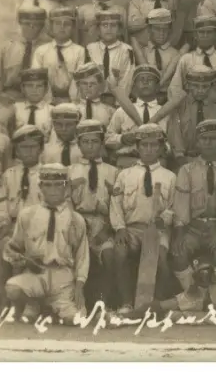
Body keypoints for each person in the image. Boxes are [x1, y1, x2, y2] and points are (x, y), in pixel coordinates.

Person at [3, 163, 90, 324]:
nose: (53, 190)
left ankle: (53, 307)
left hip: (63, 278)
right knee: (12, 289)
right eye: (48, 185)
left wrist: (79, 288)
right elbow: (14, 247)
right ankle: (34, 303)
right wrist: (21, 260)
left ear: (66, 188)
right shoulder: (27, 215)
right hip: (36, 274)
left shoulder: (75, 219)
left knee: (77, 320)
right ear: (40, 187)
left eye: (59, 185)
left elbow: (82, 256)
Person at [110, 124, 177, 314]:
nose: (149, 149)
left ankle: (157, 304)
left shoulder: (170, 177)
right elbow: (115, 203)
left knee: (161, 259)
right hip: (131, 229)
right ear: (137, 147)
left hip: (158, 230)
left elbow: (173, 206)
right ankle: (126, 303)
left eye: (154, 145)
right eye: (144, 145)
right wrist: (120, 228)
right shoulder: (125, 174)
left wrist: (163, 219)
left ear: (161, 148)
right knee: (120, 253)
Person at [171, 119, 216, 293]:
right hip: (193, 227)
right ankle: (193, 295)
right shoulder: (187, 170)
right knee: (178, 254)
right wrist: (179, 233)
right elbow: (181, 204)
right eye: (204, 139)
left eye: (213, 138)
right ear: (197, 142)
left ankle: (214, 298)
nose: (208, 142)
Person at [0, 125, 46, 313]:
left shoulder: (47, 175)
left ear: (41, 149)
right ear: (17, 150)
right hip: (13, 226)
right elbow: (0, 202)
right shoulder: (9, 175)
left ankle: (32, 302)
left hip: (39, 228)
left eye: (33, 147)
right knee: (3, 246)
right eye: (23, 148)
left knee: (35, 251)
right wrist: (4, 222)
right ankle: (4, 302)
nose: (28, 152)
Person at [69, 119, 119, 305]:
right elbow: (66, 205)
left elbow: (117, 207)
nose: (90, 146)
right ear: (79, 144)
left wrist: (105, 231)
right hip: (77, 224)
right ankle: (73, 301)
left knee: (109, 254)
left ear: (101, 143)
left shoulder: (113, 172)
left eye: (95, 141)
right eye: (85, 142)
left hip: (103, 225)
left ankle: (103, 302)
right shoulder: (70, 171)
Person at [166, 64, 216, 165]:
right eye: (195, 86)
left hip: (212, 161)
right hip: (185, 161)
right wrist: (181, 158)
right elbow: (176, 140)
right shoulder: (179, 109)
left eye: (205, 86)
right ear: (188, 85)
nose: (200, 90)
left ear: (211, 86)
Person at [105, 65, 167, 168]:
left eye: (150, 79)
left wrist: (162, 147)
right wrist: (122, 138)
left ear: (157, 86)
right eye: (141, 79)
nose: (145, 82)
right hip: (127, 161)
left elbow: (174, 144)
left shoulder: (166, 112)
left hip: (157, 164)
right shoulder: (122, 111)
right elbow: (107, 139)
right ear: (134, 86)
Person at [170, 15, 216, 108]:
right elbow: (175, 88)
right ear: (195, 35)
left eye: (209, 32)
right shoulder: (186, 58)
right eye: (201, 32)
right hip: (189, 108)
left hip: (214, 108)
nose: (205, 35)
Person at [32, 6, 87, 104]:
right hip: (46, 100)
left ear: (73, 27)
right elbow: (38, 79)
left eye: (67, 24)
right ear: (51, 26)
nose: (62, 27)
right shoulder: (41, 51)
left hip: (70, 100)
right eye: (57, 23)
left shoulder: (79, 51)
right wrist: (48, 101)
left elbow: (78, 79)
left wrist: (72, 100)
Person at [85, 11, 136, 103]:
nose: (109, 29)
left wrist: (119, 103)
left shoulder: (126, 50)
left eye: (113, 25)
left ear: (119, 29)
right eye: (104, 25)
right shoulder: (90, 49)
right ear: (98, 29)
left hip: (117, 101)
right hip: (93, 100)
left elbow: (126, 80)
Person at [0, 6, 49, 101]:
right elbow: (0, 77)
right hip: (11, 95)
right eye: (27, 24)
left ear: (42, 25)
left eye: (36, 24)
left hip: (39, 96)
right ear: (20, 23)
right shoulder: (9, 47)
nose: (32, 27)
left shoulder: (48, 47)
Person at [142, 8, 182, 103]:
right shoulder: (142, 52)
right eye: (157, 29)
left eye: (165, 29)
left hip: (168, 99)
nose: (162, 33)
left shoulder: (175, 54)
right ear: (149, 29)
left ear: (170, 30)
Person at [12, 68, 53, 138]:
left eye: (39, 86)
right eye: (29, 86)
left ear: (46, 89)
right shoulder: (14, 109)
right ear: (22, 88)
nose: (34, 90)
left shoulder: (52, 111)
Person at [74, 62, 115, 128]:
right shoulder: (73, 110)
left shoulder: (110, 111)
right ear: (78, 86)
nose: (88, 87)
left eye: (93, 83)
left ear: (99, 86)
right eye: (84, 83)